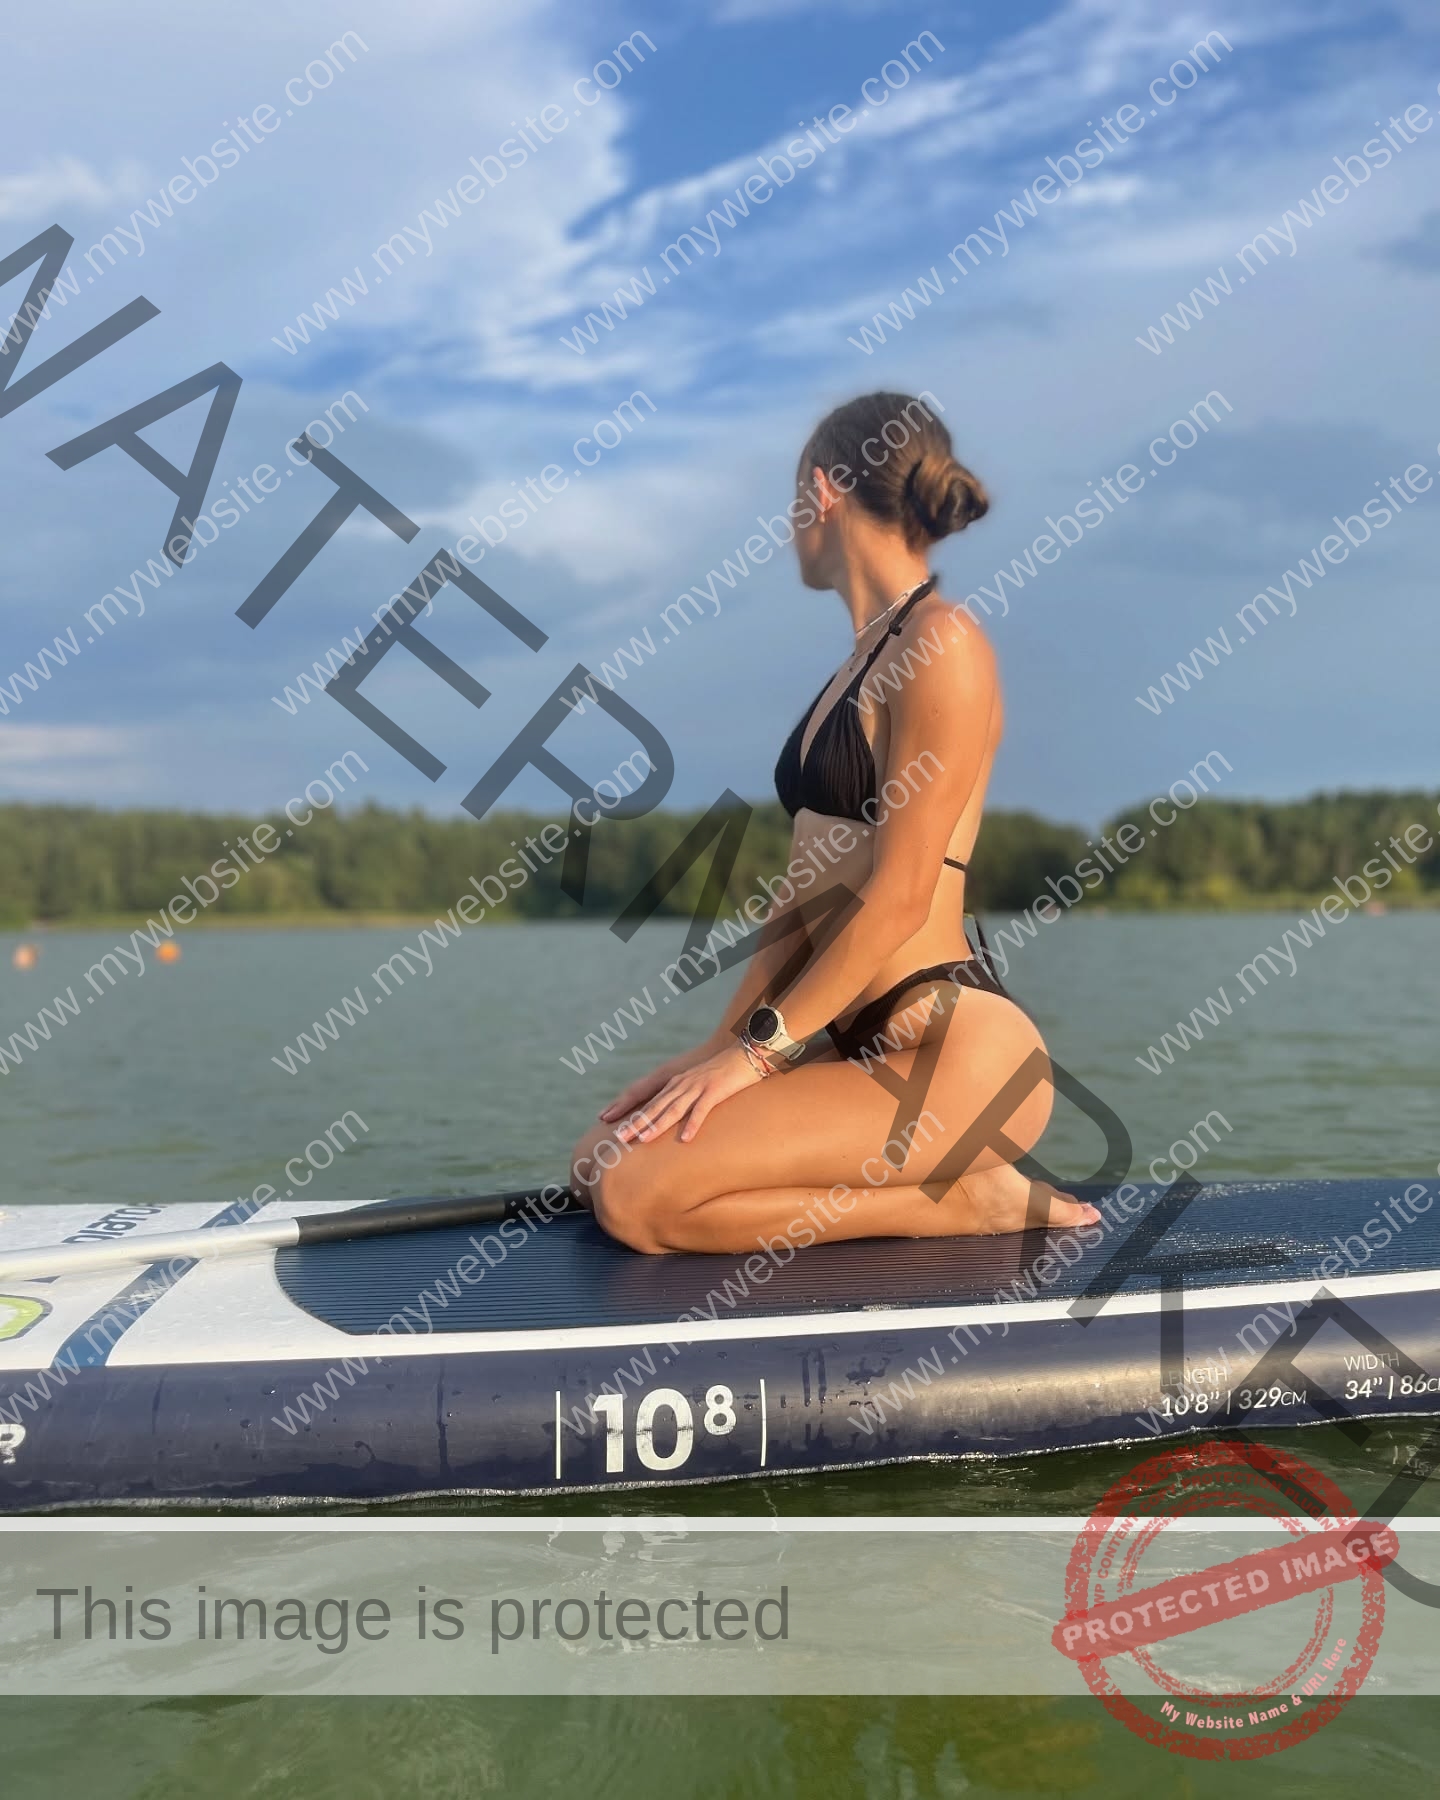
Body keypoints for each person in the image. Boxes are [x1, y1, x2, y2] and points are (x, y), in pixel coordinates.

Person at [571, 391, 1100, 1254]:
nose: (788, 529)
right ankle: (955, 1190)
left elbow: (897, 896)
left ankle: (974, 1202)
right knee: (598, 1159)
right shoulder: (860, 660)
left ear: (822, 492)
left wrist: (760, 1057)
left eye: (791, 505)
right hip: (847, 1040)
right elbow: (802, 897)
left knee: (637, 1198)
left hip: (948, 1052)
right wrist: (718, 1048)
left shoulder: (945, 645)